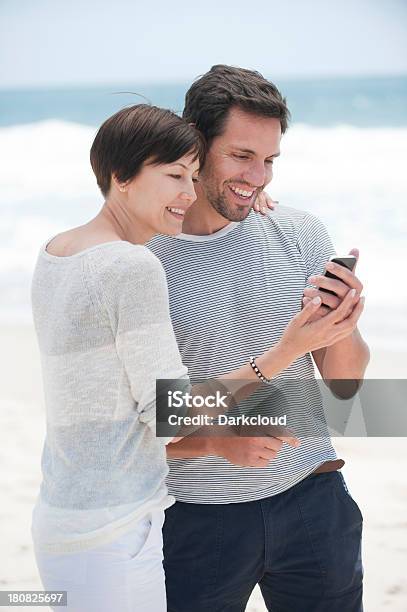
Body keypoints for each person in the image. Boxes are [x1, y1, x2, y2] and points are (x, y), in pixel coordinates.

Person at [30, 103, 347, 611]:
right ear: (121, 176)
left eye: (193, 175)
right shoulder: (134, 265)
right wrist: (288, 351)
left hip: (70, 518)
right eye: (176, 175)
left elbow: (102, 426)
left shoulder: (58, 253)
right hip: (118, 530)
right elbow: (168, 415)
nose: (187, 191)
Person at [147, 65, 369, 612]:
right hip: (198, 517)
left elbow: (344, 388)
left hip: (314, 496)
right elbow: (145, 415)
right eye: (242, 156)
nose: (259, 177)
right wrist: (220, 439)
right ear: (194, 143)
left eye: (269, 160)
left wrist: (343, 322)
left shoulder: (298, 232)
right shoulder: (144, 259)